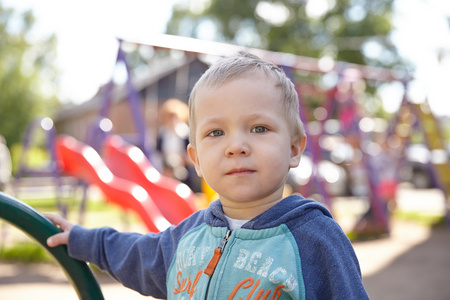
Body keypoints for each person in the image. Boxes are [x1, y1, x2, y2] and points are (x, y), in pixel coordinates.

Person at [46, 51, 369, 299]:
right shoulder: (187, 237)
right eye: (216, 132)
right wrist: (84, 239)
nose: (236, 146)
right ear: (196, 159)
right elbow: (135, 255)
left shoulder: (315, 241)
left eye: (259, 128)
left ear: (295, 149)